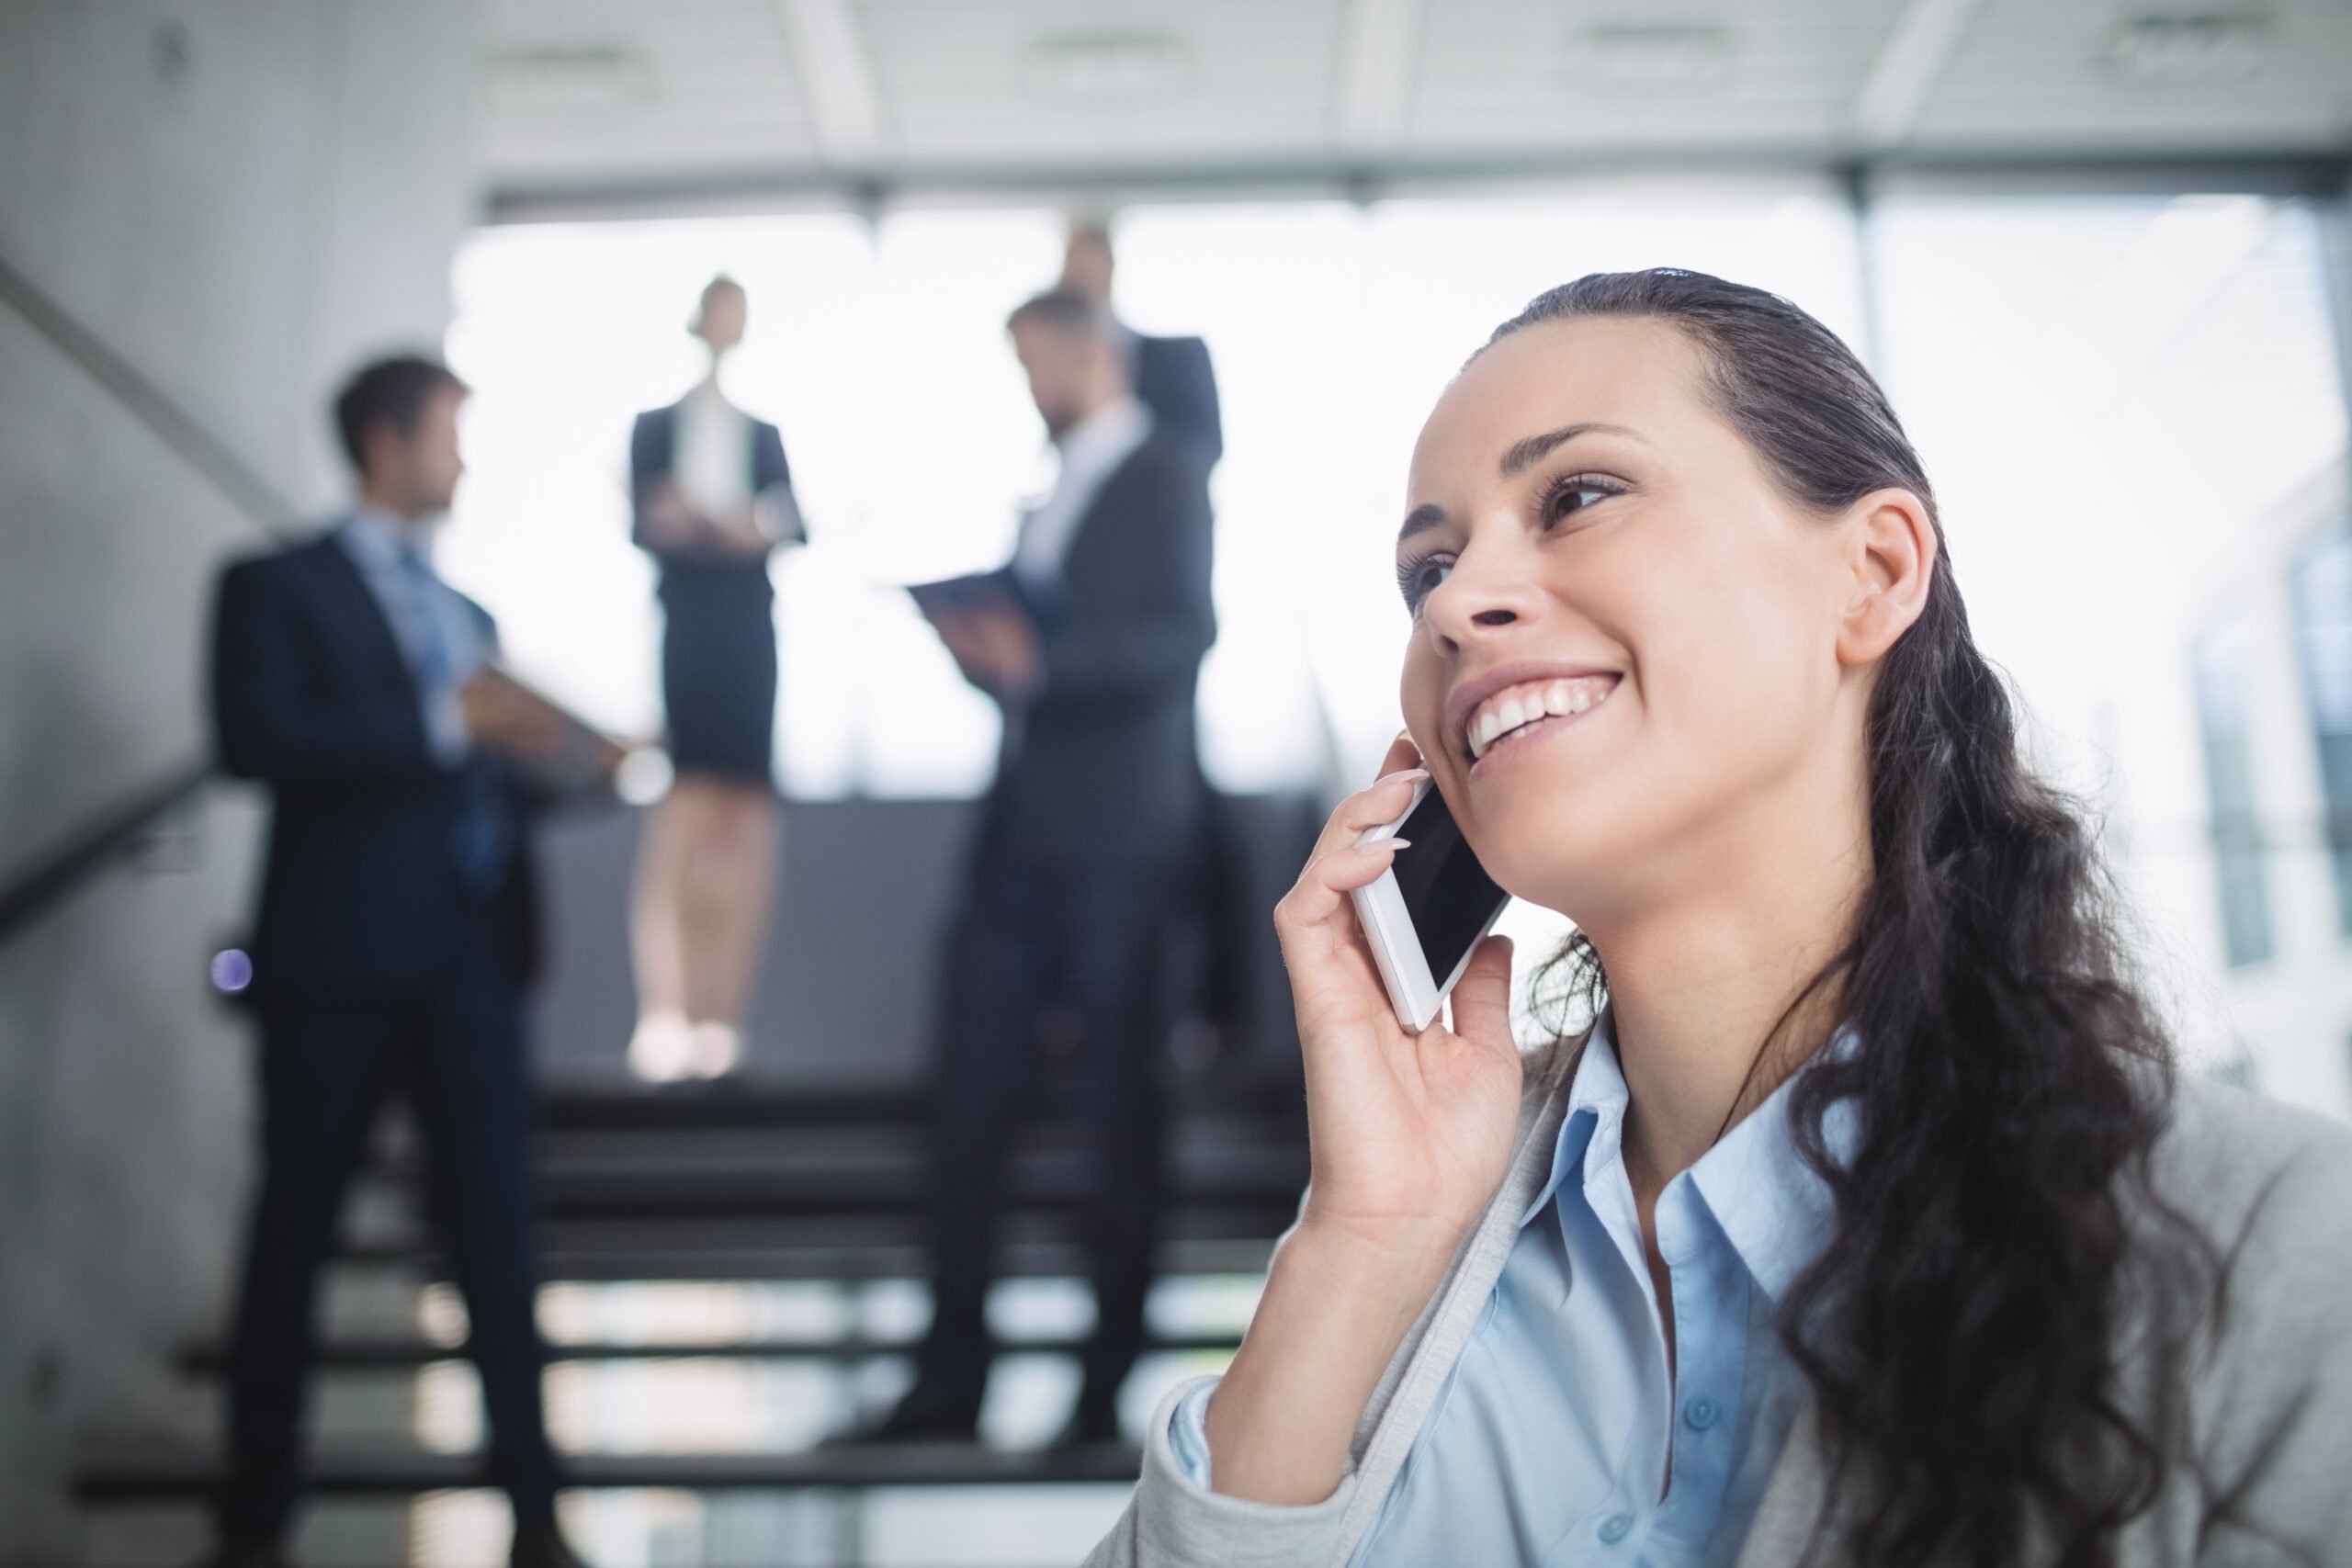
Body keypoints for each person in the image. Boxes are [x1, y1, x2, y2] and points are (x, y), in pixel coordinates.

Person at [1087, 271, 2352, 1567]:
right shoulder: (1419, 1216)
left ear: (1872, 572)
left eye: (1575, 495)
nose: (1458, 604)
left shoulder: (2278, 1249)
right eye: (1429, 568)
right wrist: (1359, 1244)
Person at [206, 356, 588, 1568]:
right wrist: (444, 722)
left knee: (499, 1239)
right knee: (294, 1233)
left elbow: (488, 783)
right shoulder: (274, 586)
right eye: (449, 435)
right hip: (335, 963)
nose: (462, 461)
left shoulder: (469, 617)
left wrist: (575, 756)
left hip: (471, 964)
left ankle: (535, 1512)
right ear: (385, 439)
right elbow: (258, 736)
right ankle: (255, 1519)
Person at [868, 289, 1216, 1448]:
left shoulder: (1164, 470)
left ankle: (1103, 1386)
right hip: (1018, 834)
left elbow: (1182, 635)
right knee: (965, 1104)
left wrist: (1042, 665)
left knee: (1120, 1118)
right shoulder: (1048, 487)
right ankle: (947, 1383)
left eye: (1036, 364)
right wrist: (989, 654)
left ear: (1090, 352)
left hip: (1121, 842)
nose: (1031, 387)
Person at [625, 275, 803, 1083]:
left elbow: (793, 518)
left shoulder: (763, 432)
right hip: (690, 626)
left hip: (748, 629)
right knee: (686, 811)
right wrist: (690, 523)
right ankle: (667, 1010)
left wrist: (747, 527)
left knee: (744, 819)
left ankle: (722, 1017)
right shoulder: (655, 426)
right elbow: (643, 517)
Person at [1058, 222, 1222, 466]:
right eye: (1075, 273)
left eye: (1090, 271)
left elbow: (1203, 447)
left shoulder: (1178, 359)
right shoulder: (1059, 374)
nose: (1083, 286)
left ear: (1110, 271)